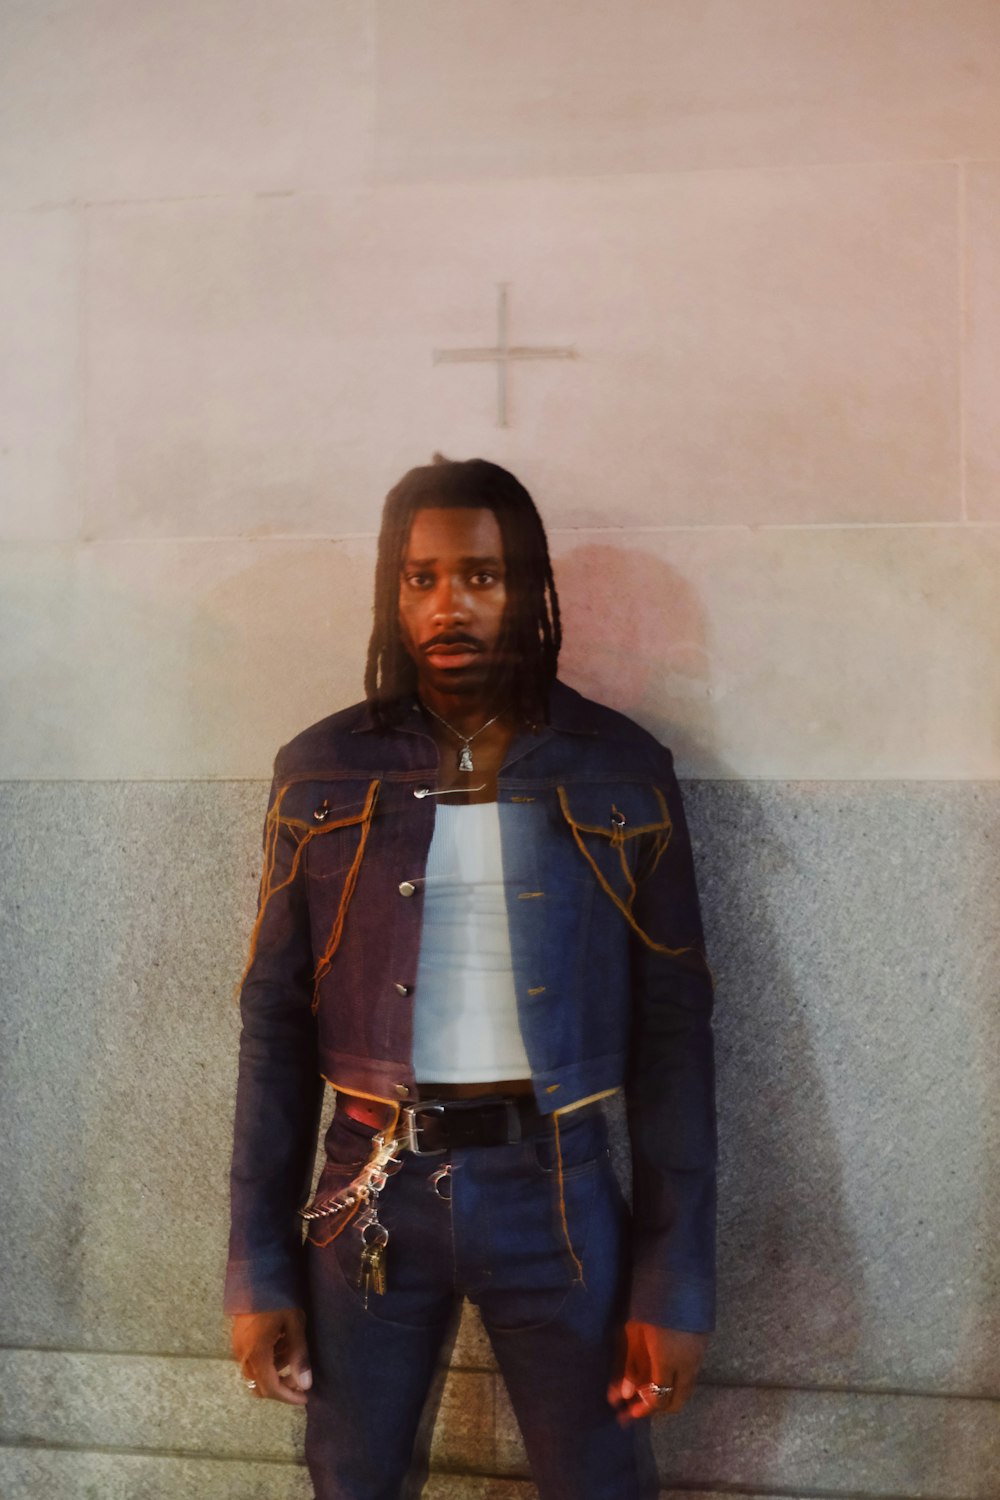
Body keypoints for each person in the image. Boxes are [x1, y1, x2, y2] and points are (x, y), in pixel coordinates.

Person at [225, 454, 717, 1500]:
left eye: (481, 577)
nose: (449, 603)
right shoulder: (320, 769)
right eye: (421, 578)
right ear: (391, 592)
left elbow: (676, 1031)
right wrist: (257, 1267)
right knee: (352, 1481)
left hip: (560, 1196)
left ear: (529, 588)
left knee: (599, 1483)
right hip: (366, 1196)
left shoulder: (620, 768)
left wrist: (673, 1279)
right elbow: (271, 1025)